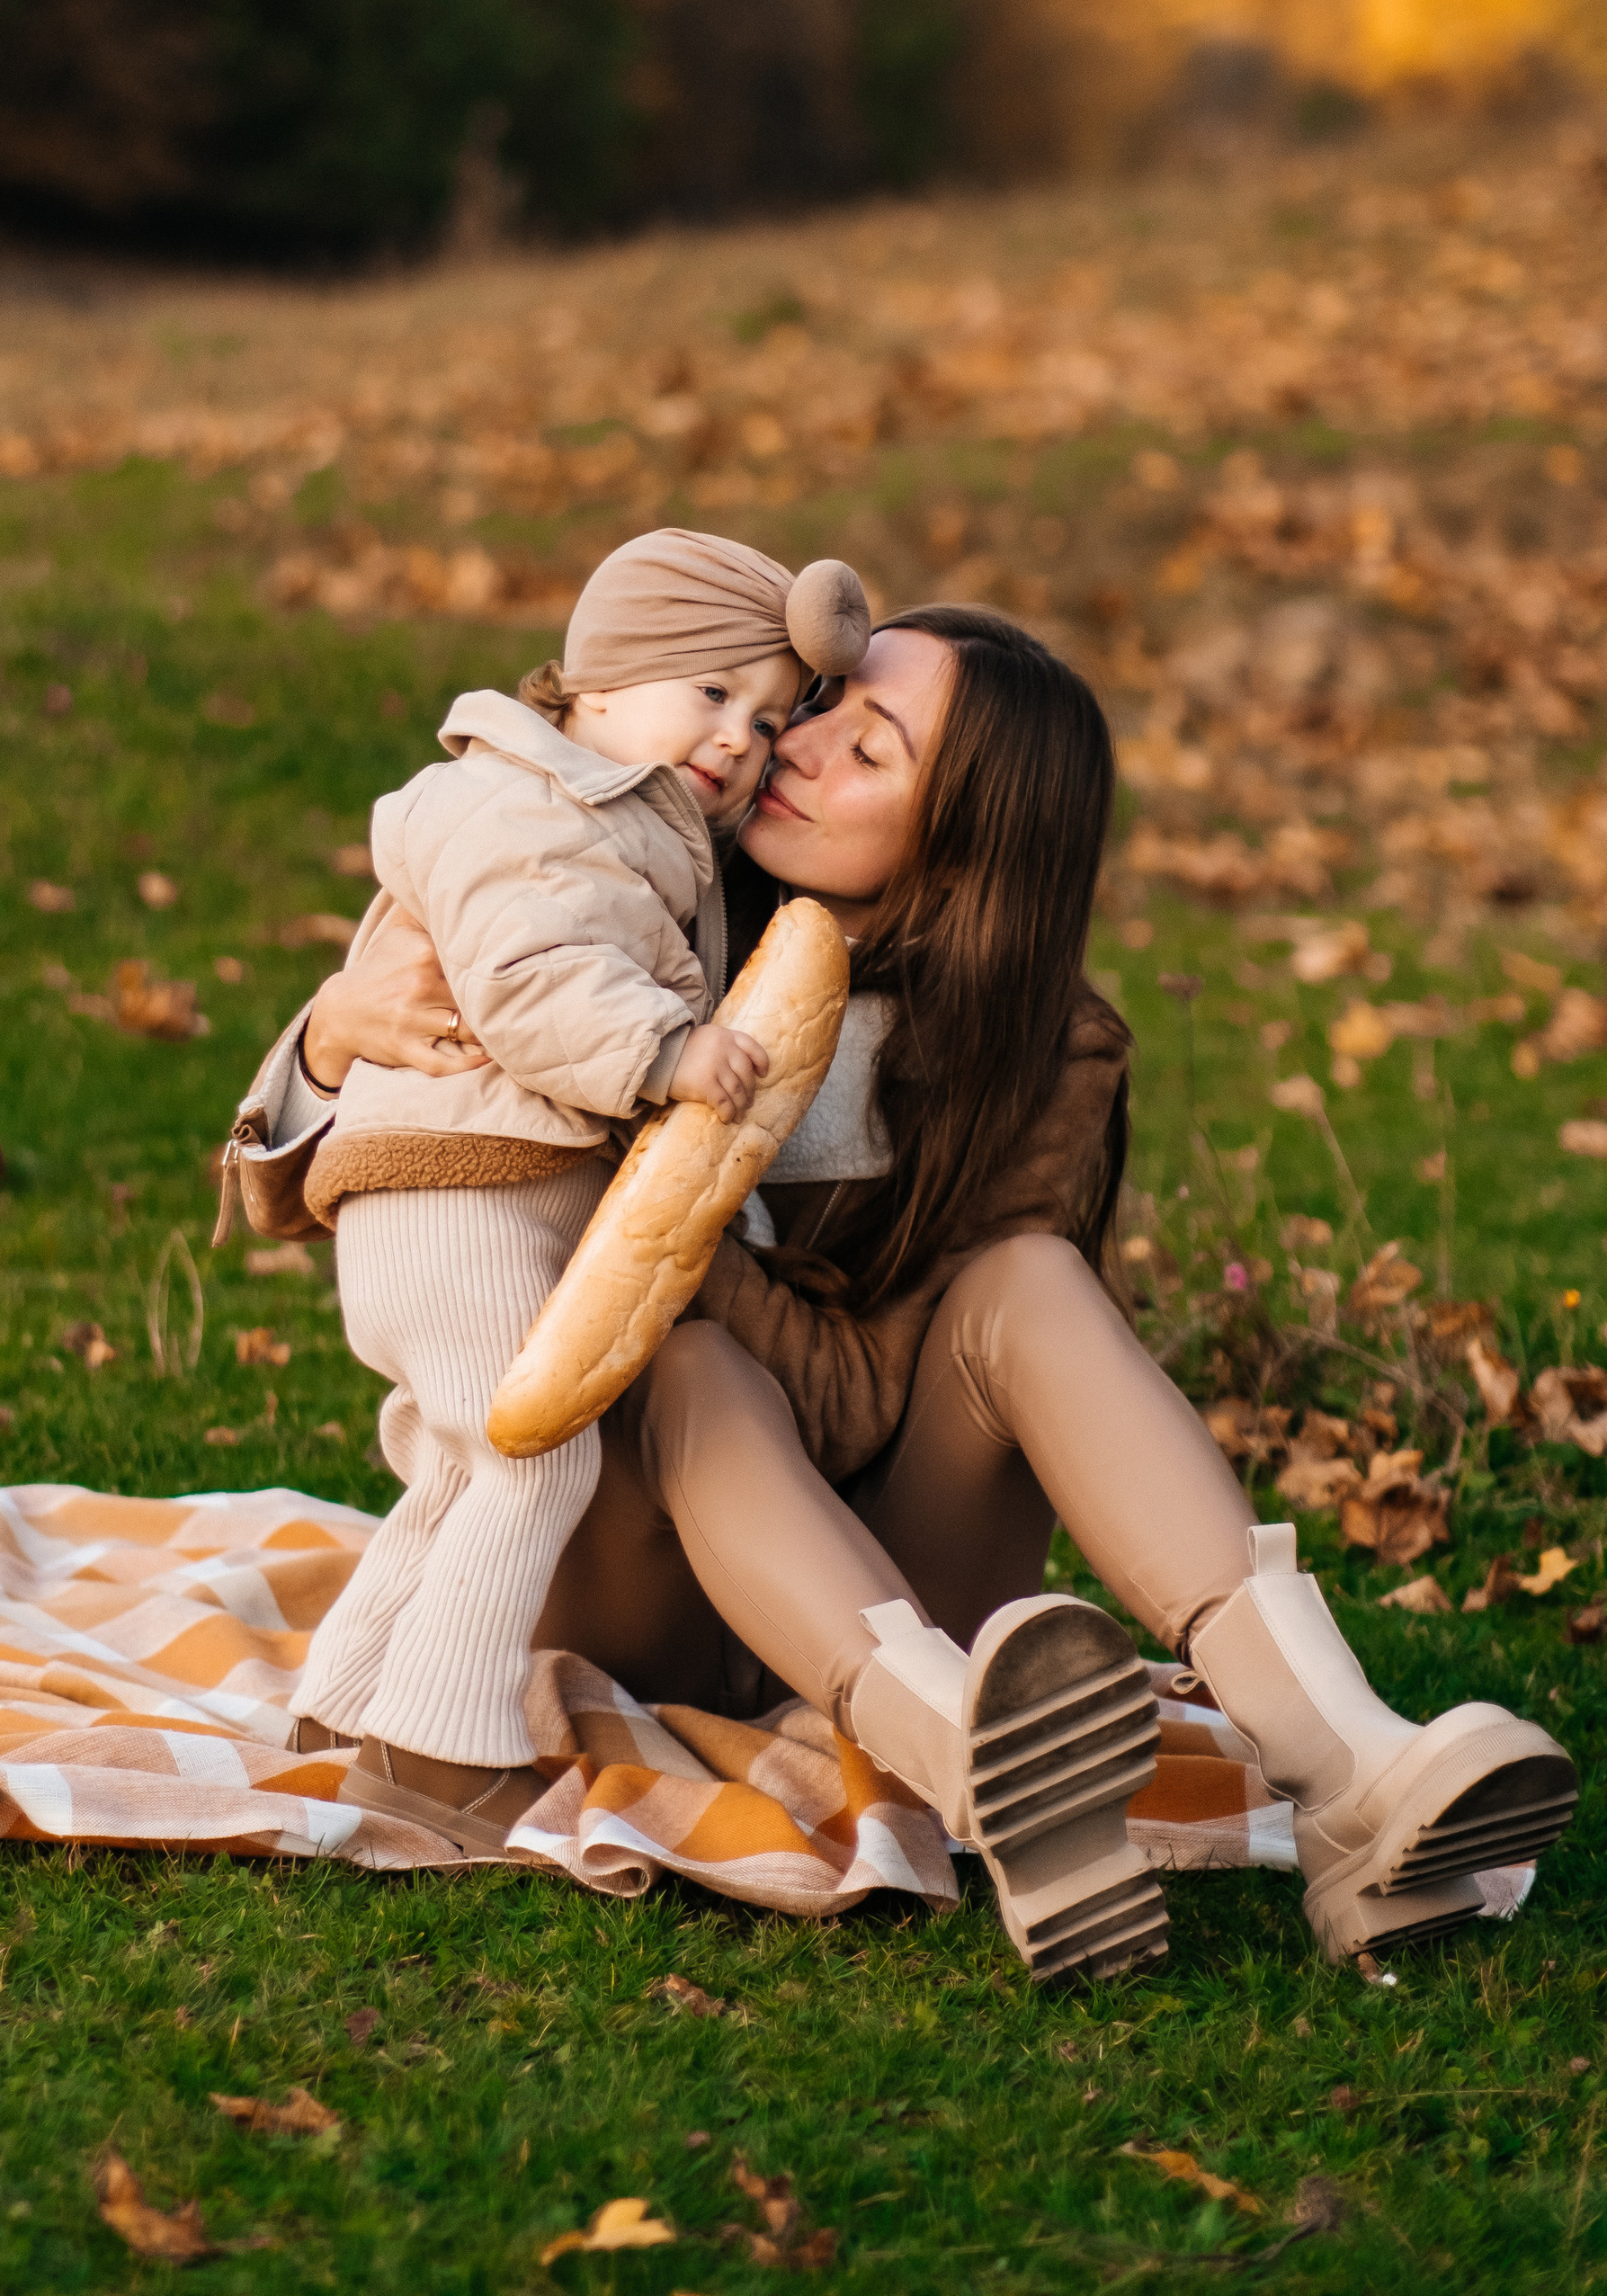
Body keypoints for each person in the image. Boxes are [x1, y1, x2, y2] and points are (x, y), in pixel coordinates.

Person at [285, 603, 1578, 1978]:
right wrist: (324, 1039)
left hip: (902, 1588)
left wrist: (669, 1198)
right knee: (684, 1363)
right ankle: (986, 1774)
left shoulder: (1046, 1056)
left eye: (869, 747)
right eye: (824, 705)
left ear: (962, 842)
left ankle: (1349, 1771)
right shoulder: (646, 907)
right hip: (622, 1578)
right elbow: (363, 1160)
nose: (795, 741)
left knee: (1026, 1281)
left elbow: (860, 1404)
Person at [220, 530, 869, 1853]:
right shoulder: (536, 808)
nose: (743, 741)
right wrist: (666, 1053)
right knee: (533, 1455)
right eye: (712, 695)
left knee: (467, 1466)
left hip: (472, 1193)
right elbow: (531, 976)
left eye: (766, 716)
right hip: (456, 1193)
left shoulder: (635, 816)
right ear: (597, 682)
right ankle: (443, 1757)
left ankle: (345, 1707)